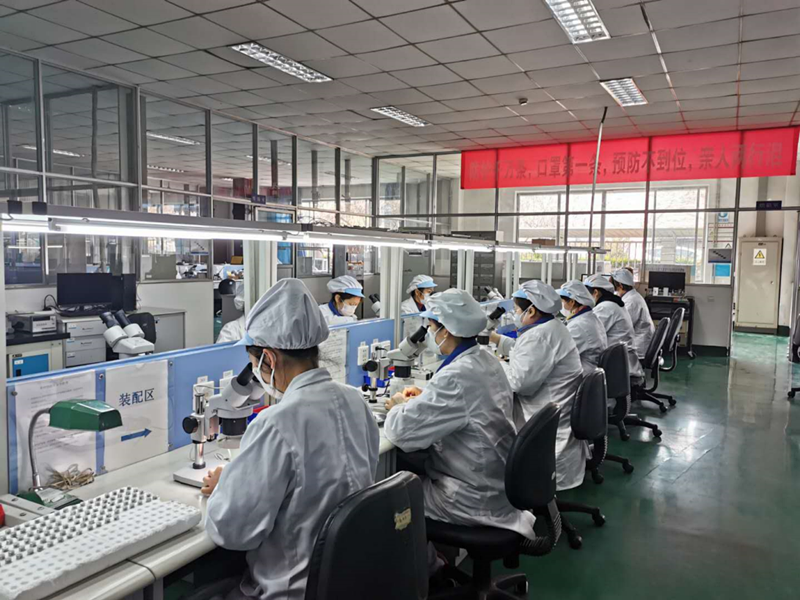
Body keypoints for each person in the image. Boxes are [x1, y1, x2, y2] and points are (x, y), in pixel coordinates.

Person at [202, 278, 380, 600]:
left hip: (295, 590)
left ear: (269, 359)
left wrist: (225, 487)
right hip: (351, 580)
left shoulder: (275, 423)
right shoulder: (355, 400)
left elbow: (233, 531)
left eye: (255, 365)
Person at [383, 288, 536, 543]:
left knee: (386, 496)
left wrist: (399, 404)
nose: (429, 334)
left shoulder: (456, 377)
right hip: (495, 482)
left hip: (469, 497)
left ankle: (428, 561)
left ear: (446, 331)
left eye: (431, 327)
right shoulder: (485, 359)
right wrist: (426, 396)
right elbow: (466, 403)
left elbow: (401, 432)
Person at [489, 280, 587, 491]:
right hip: (555, 416)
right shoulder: (551, 327)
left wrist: (494, 363)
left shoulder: (540, 336)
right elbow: (524, 352)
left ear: (531, 310)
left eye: (517, 310)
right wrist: (497, 339)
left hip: (549, 434)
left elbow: (519, 383)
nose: (515, 314)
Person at [584, 274, 644, 380]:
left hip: (619, 366)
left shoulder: (605, 308)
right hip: (623, 360)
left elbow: (589, 334)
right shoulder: (612, 303)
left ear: (596, 292)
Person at [557, 280, 608, 376]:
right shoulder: (589, 317)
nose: (562, 305)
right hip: (591, 371)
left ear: (572, 302)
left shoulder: (578, 326)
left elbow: (559, 355)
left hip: (583, 375)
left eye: (563, 301)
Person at [611, 268, 654, 359]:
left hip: (638, 348)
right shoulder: (632, 296)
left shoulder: (632, 302)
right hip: (639, 342)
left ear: (621, 285)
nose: (615, 292)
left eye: (615, 288)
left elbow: (623, 328)